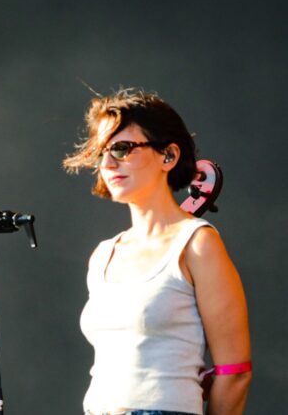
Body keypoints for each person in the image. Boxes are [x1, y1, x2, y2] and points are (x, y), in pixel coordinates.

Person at [63, 89, 251, 415]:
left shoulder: (197, 244)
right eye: (101, 152)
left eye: (122, 148)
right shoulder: (103, 254)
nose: (108, 163)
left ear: (168, 156)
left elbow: (235, 373)